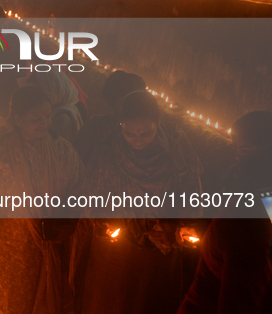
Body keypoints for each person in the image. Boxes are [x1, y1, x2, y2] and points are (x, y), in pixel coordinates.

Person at [70, 91, 203, 314]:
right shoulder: (108, 150)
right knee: (111, 302)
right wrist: (102, 221)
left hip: (161, 245)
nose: (138, 139)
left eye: (146, 133)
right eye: (130, 133)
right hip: (117, 250)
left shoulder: (177, 150)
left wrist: (178, 226)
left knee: (151, 302)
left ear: (158, 123)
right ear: (120, 124)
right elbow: (91, 195)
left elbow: (191, 193)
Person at [0, 85, 85, 314]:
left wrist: (65, 217)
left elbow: (79, 187)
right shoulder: (0, 153)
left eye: (47, 116)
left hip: (53, 234)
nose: (44, 122)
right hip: (12, 240)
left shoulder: (62, 149)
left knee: (48, 292)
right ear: (17, 119)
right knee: (11, 294)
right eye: (36, 118)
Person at [177, 111, 272, 314]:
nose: (237, 156)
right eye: (237, 149)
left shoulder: (257, 206)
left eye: (244, 150)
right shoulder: (245, 215)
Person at [73, 70, 146, 164]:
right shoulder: (94, 129)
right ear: (112, 101)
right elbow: (76, 164)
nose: (132, 108)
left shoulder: (151, 132)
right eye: (126, 103)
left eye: (138, 102)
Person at [27, 70, 83, 142]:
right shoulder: (60, 110)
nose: (35, 97)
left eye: (40, 91)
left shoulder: (62, 119)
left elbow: (50, 150)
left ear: (52, 89)